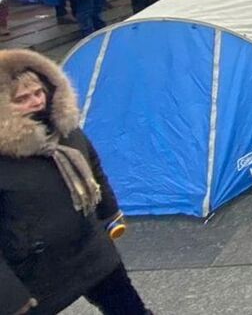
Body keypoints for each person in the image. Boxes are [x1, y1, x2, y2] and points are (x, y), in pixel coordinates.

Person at [0, 49, 149, 314]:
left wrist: (110, 213)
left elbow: (94, 169)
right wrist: (9, 297)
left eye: (38, 93)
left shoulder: (65, 130)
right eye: (22, 99)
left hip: (90, 247)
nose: (36, 102)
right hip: (33, 271)